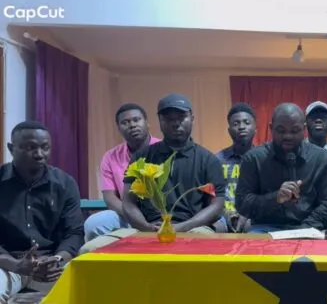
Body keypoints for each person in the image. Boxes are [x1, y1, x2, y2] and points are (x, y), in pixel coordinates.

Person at [80, 94, 226, 254]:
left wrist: (182, 227)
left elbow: (217, 205)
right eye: (168, 119)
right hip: (146, 229)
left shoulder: (208, 160)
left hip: (193, 228)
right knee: (89, 250)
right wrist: (145, 226)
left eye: (181, 117)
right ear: (160, 121)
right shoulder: (141, 157)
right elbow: (129, 202)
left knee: (204, 250)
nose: (175, 123)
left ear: (192, 118)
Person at [0, 121, 84, 304]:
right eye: (29, 148)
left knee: (85, 291)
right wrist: (16, 265)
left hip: (51, 264)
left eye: (44, 147)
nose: (39, 154)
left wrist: (58, 259)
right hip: (8, 263)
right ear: (11, 148)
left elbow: (74, 232)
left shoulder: (64, 183)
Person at [235, 103, 327, 233]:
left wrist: (303, 229)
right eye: (281, 130)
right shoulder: (254, 158)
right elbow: (242, 204)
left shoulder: (322, 158)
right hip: (265, 227)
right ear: (271, 128)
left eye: (294, 131)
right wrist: (275, 198)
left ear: (304, 129)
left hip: (309, 227)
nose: (287, 136)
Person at [83, 103, 160, 241]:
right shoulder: (110, 157)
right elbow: (110, 198)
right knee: (94, 223)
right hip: (127, 215)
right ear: (119, 128)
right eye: (125, 122)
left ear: (147, 123)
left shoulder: (164, 149)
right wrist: (138, 220)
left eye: (136, 120)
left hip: (162, 215)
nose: (132, 125)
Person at [214, 102, 256, 233]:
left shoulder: (264, 159)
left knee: (251, 227)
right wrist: (228, 215)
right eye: (236, 124)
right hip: (223, 216)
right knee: (215, 229)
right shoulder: (217, 160)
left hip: (253, 215)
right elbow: (212, 197)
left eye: (246, 122)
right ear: (229, 130)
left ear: (255, 128)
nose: (241, 127)